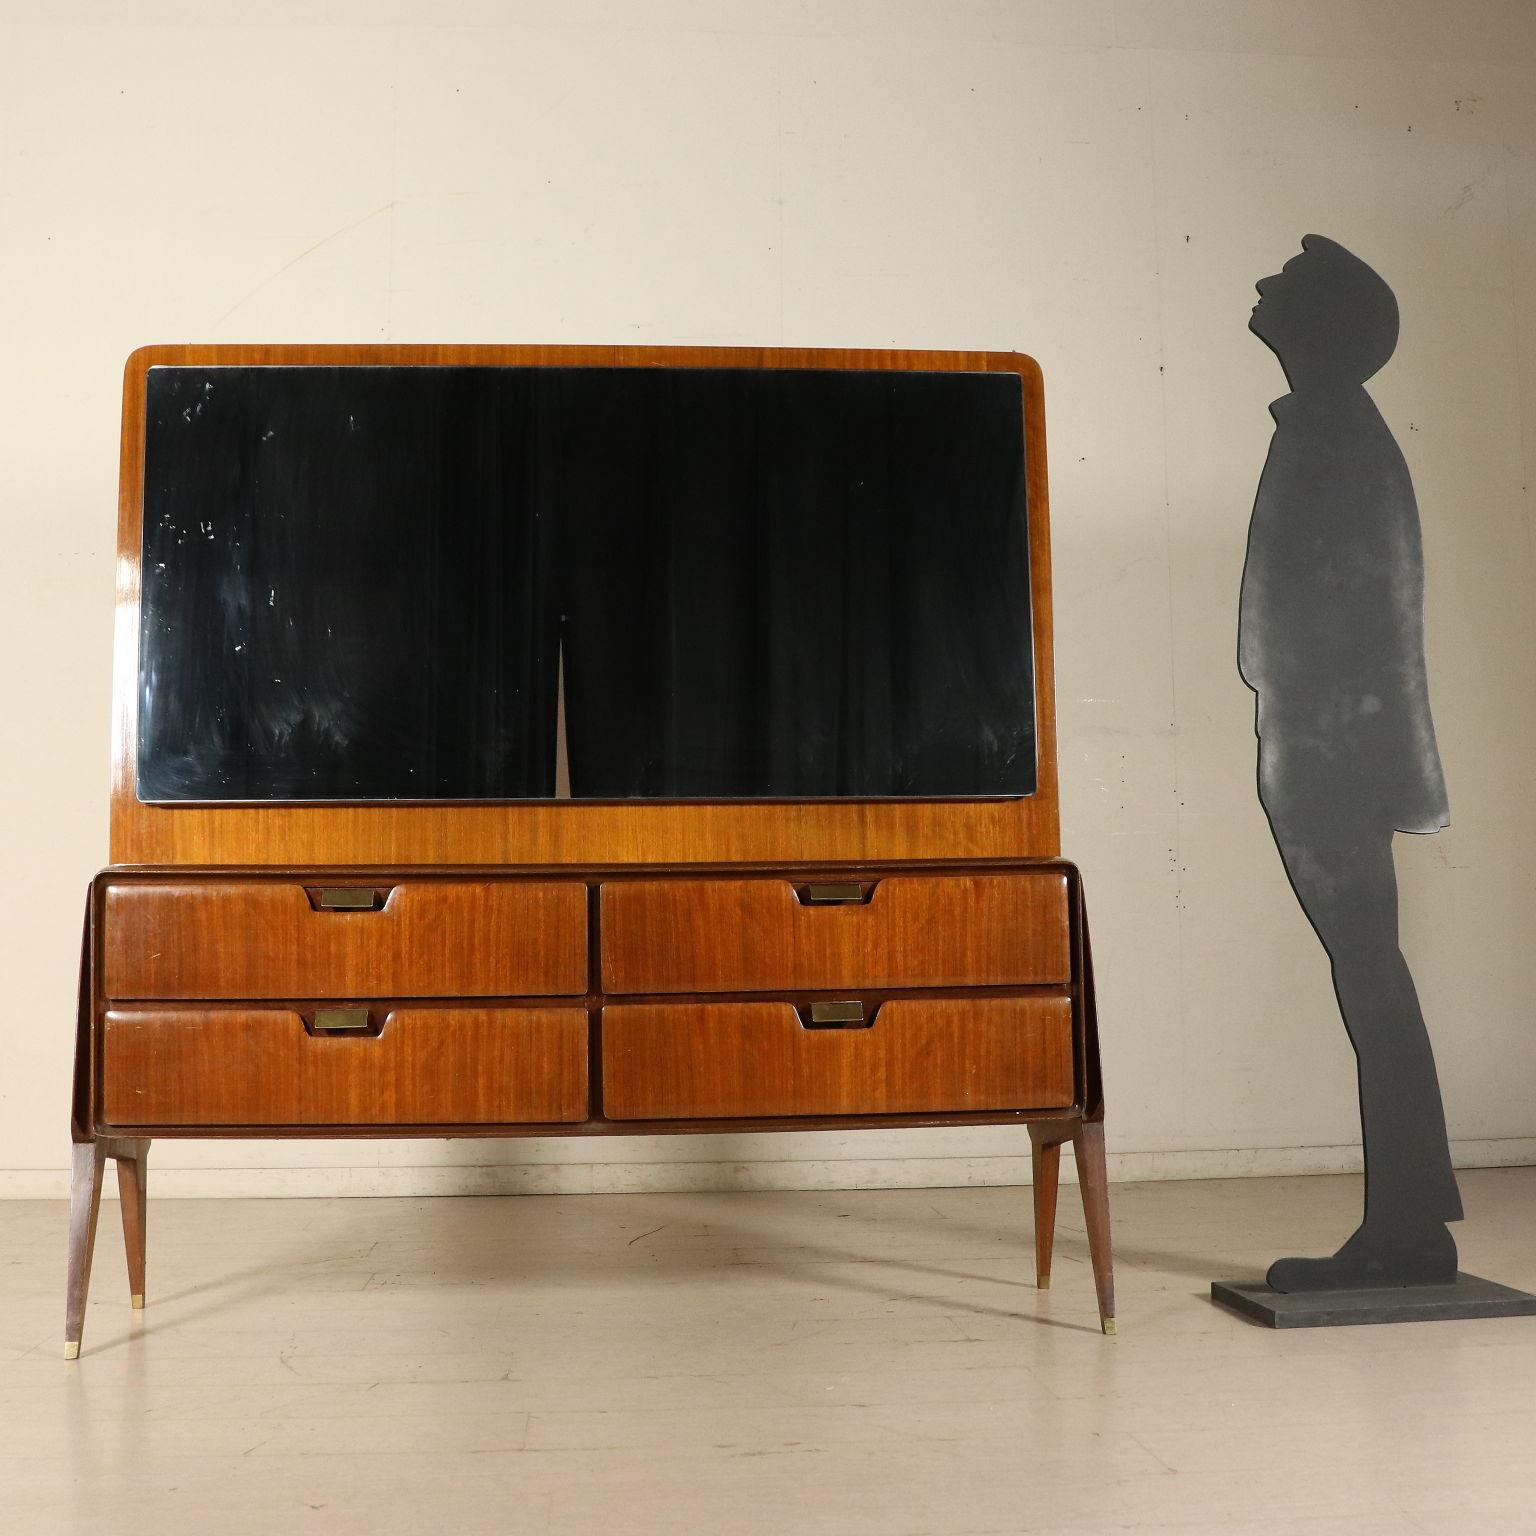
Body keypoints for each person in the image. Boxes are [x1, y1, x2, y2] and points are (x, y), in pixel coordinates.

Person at [1241, 234, 1462, 1291]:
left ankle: (1411, 1229)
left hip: (1333, 758)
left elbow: (1372, 619)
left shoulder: (1337, 434)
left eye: (1284, 279)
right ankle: (1414, 1219)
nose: (1261, 286)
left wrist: (1326, 754)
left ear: (1319, 321)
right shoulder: (1332, 430)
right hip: (1325, 750)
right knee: (1373, 977)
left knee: (1372, 978)